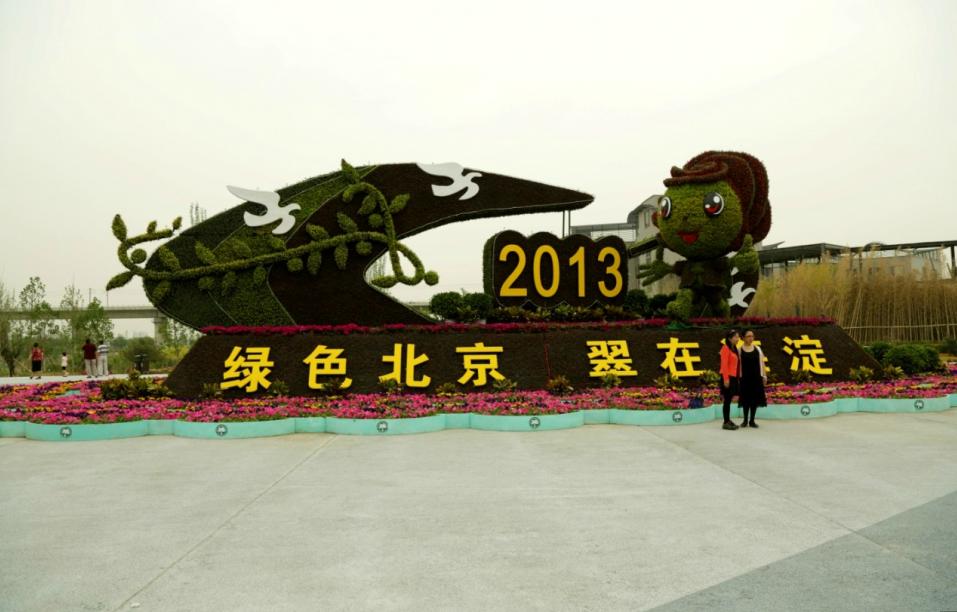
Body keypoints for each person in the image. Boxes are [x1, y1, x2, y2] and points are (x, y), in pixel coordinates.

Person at [738, 328, 767, 428]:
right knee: (746, 400)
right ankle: (745, 420)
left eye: (752, 336)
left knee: (754, 400)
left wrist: (764, 376)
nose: (751, 338)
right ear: (743, 338)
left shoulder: (758, 349)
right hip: (745, 379)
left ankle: (752, 421)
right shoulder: (739, 350)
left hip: (756, 378)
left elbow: (762, 363)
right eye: (748, 336)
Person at [718, 329, 740, 430]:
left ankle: (728, 420)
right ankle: (725, 422)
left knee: (729, 399)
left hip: (733, 377)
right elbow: (724, 365)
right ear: (730, 338)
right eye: (735, 337)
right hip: (727, 377)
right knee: (727, 400)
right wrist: (726, 379)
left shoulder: (734, 348)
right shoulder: (725, 348)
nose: (738, 338)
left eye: (738, 336)